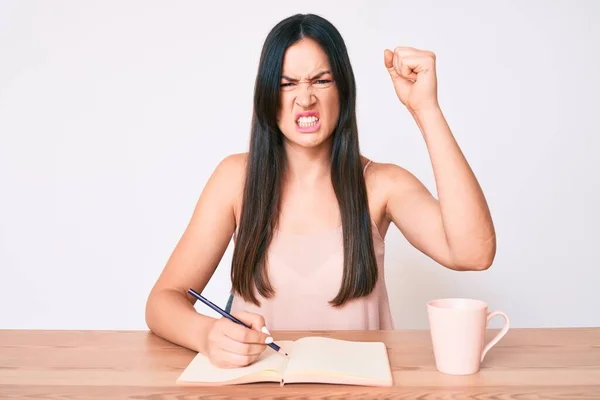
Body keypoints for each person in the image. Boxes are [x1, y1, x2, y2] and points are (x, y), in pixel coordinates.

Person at [145, 13, 496, 369]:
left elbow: (473, 253)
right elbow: (162, 301)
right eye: (287, 83)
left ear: (343, 89)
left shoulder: (382, 184)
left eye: (321, 80)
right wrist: (206, 334)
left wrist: (426, 108)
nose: (305, 98)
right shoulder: (235, 179)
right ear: (267, 95)